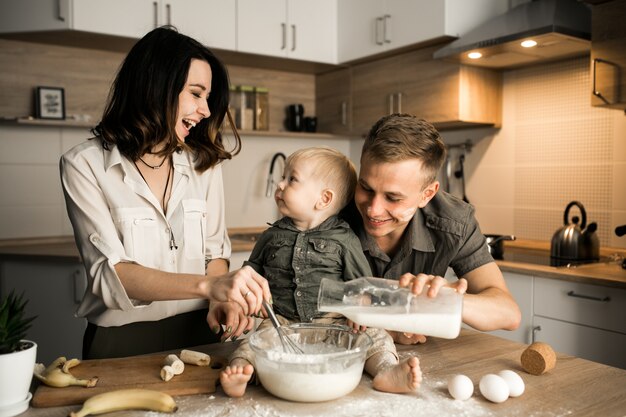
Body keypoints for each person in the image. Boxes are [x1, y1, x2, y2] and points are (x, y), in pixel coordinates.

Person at [60, 26, 270, 359]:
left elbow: (213, 254)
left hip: (200, 331)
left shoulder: (205, 163)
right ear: (156, 88)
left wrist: (219, 299)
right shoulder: (83, 165)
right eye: (196, 94)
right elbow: (112, 273)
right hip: (119, 341)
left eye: (207, 98)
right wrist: (210, 286)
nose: (205, 110)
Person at [215, 146, 422, 397]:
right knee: (252, 344)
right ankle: (241, 373)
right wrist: (242, 300)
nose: (280, 185)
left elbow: (363, 284)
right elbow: (250, 274)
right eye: (283, 177)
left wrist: (360, 310)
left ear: (323, 199)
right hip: (283, 324)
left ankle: (387, 371)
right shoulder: (271, 236)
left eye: (292, 179)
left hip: (335, 324)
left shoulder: (344, 239)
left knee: (376, 338)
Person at [342, 114, 521, 345]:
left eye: (393, 198)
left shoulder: (454, 222)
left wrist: (445, 300)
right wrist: (387, 331)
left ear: (427, 194)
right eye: (366, 188)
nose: (373, 210)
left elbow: (509, 313)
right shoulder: (331, 211)